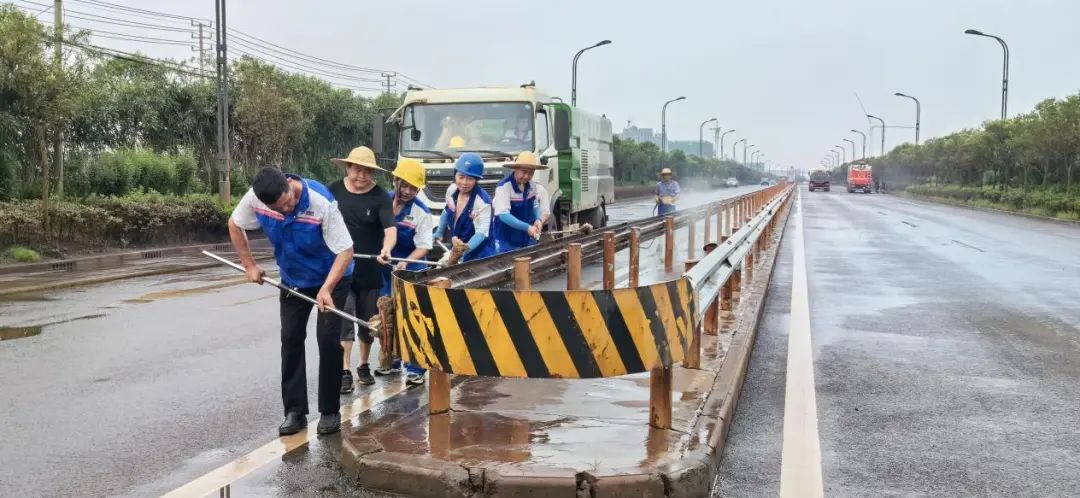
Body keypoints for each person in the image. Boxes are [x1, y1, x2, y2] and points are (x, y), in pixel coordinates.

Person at [227, 166, 354, 436]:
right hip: (293, 277)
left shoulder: (320, 202)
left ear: (288, 184)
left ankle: (330, 410)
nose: (288, 209)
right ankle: (294, 412)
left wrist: (327, 288)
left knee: (327, 338)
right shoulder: (254, 199)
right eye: (280, 208)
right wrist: (249, 264)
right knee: (291, 338)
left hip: (332, 277)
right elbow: (235, 224)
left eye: (289, 201)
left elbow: (346, 251)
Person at [328, 146, 396, 393]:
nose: (362, 176)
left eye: (367, 171)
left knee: (367, 323)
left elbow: (390, 229)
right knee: (345, 320)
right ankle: (345, 369)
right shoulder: (333, 191)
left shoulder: (380, 197)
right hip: (341, 269)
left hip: (370, 270)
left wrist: (386, 249)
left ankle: (363, 364)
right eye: (357, 170)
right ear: (348, 168)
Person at [378, 158, 433, 385]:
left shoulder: (421, 212)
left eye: (414, 188)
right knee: (387, 316)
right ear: (396, 181)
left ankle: (416, 368)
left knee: (412, 317)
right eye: (405, 185)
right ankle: (392, 359)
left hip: (411, 269)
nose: (408, 191)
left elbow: (424, 246)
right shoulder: (383, 201)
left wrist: (406, 262)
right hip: (385, 267)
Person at [434, 153, 494, 262]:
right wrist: (439, 232)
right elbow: (447, 211)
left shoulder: (483, 202)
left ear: (476, 180)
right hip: (457, 248)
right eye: (461, 177)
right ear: (455, 175)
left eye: (470, 179)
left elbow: (480, 234)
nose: (464, 183)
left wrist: (461, 252)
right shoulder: (452, 190)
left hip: (479, 254)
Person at [492, 151, 547, 254]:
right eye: (524, 172)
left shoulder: (532, 186)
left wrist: (538, 219)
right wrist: (527, 227)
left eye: (531, 173)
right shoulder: (503, 187)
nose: (526, 176)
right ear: (515, 169)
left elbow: (534, 204)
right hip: (505, 240)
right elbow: (504, 215)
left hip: (526, 239)